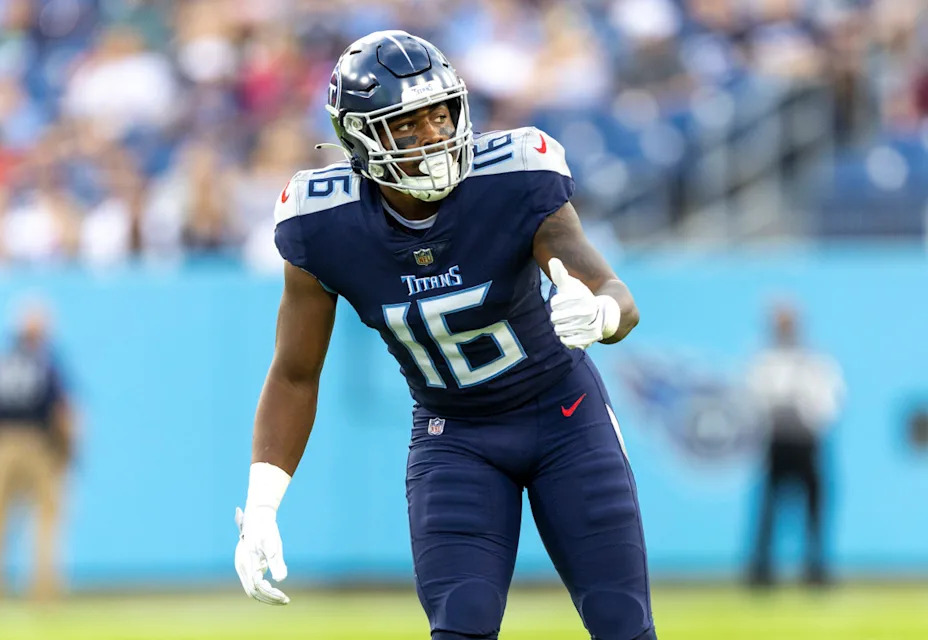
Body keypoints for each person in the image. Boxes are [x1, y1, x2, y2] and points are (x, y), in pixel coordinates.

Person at [233, 31, 656, 640]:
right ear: (359, 139)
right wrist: (264, 504)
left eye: (440, 114)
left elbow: (615, 294)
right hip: (454, 436)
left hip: (565, 416)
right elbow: (295, 372)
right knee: (461, 626)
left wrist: (602, 314)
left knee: (622, 623)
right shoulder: (321, 223)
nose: (433, 136)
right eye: (406, 125)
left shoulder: (512, 177)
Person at [0, 300, 75, 602]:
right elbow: (63, 411)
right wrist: (66, 450)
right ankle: (44, 593)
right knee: (45, 521)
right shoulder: (46, 362)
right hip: (36, 444)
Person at [747, 301, 845, 587]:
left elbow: (831, 400)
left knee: (814, 508)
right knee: (769, 509)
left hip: (806, 442)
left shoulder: (814, 361)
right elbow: (755, 398)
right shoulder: (765, 360)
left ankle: (816, 569)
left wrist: (809, 415)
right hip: (777, 442)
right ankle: (761, 571)